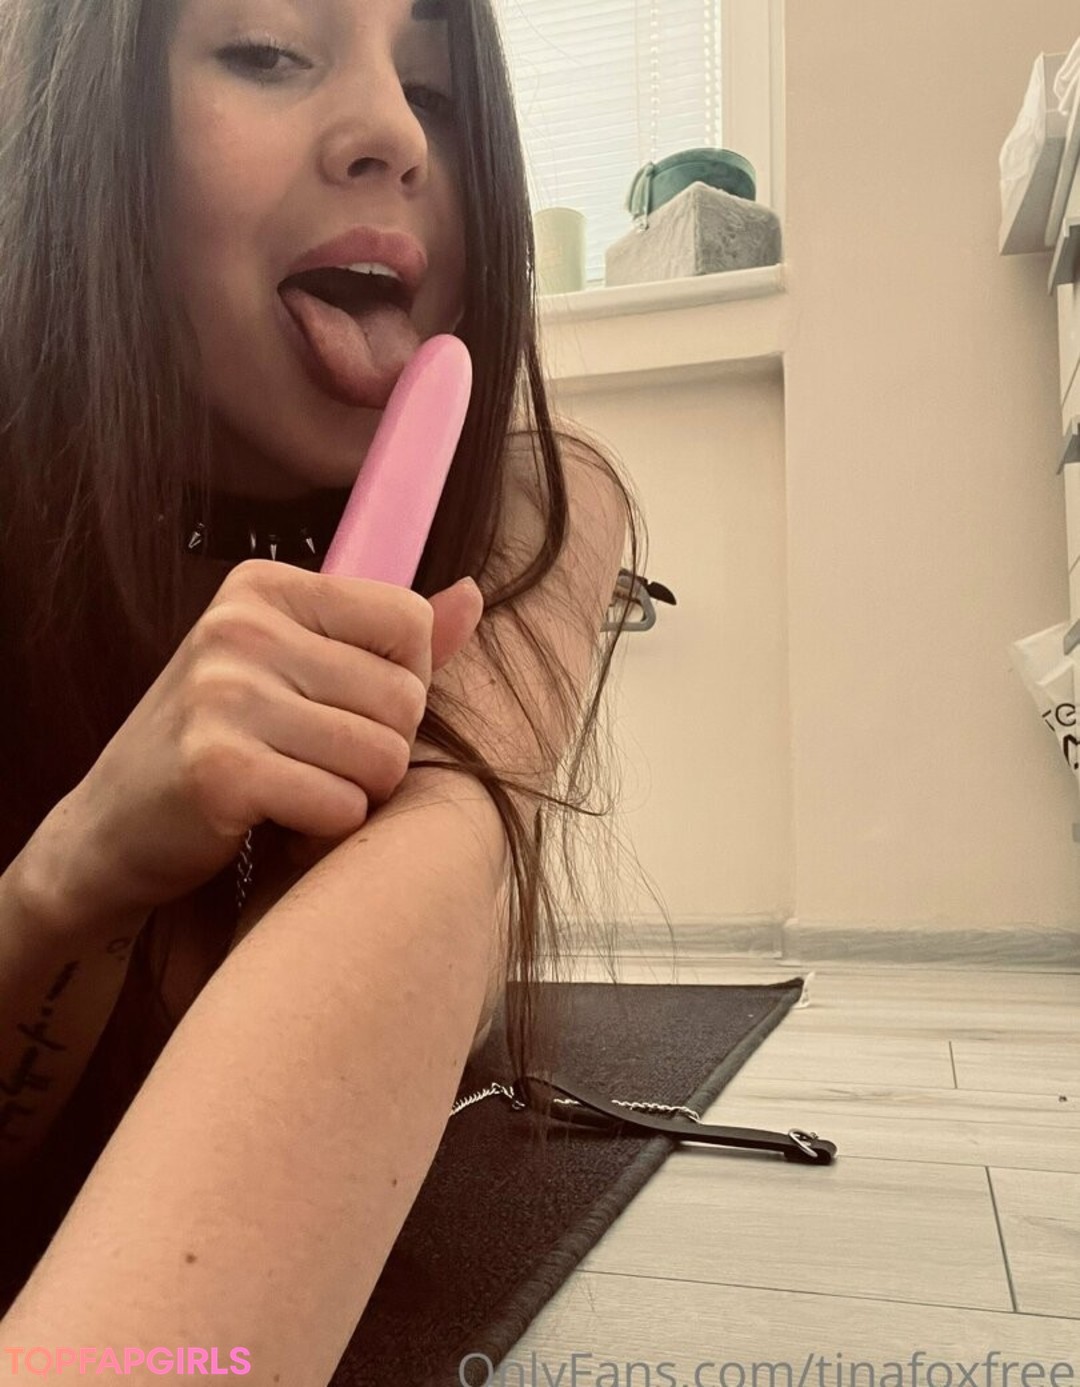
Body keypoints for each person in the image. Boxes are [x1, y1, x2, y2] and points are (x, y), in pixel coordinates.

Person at [0, 0, 646, 1377]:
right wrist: (68, 881)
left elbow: (416, 901)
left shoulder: (533, 510)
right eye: (268, 50)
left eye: (441, 93)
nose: (394, 134)